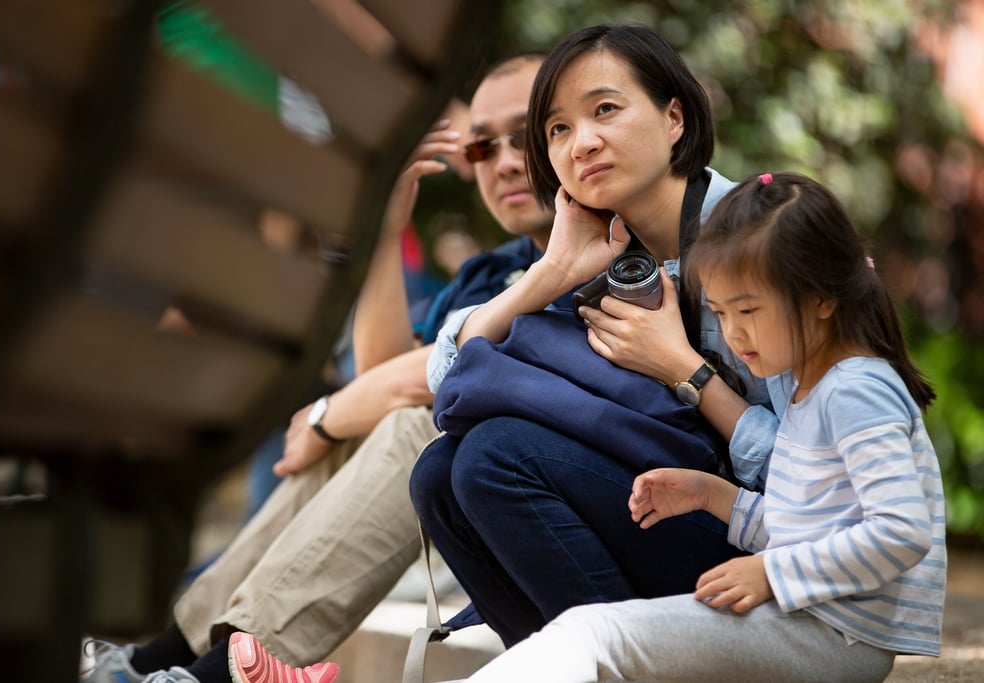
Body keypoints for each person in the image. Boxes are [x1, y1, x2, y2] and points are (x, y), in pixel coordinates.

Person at [82, 53, 554, 683]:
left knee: (423, 428)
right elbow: (384, 377)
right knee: (388, 425)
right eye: (482, 147)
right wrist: (384, 234)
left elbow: (437, 379)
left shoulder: (604, 249)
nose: (504, 161)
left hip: (597, 513)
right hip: (502, 496)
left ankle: (219, 673)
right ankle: (162, 662)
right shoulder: (493, 271)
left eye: (525, 135)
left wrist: (330, 413)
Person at [456, 171, 947, 683]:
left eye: (748, 310)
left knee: (598, 634)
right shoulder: (815, 389)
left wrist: (770, 573)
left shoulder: (855, 389)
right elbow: (810, 527)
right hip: (818, 620)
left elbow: (901, 532)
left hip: (835, 633)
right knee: (593, 631)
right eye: (721, 313)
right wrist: (714, 496)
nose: (734, 334)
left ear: (822, 298)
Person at [409, 23, 783, 648]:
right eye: (558, 128)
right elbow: (445, 375)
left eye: (605, 109)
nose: (582, 143)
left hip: (769, 548)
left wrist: (684, 370)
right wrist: (552, 273)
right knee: (439, 475)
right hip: (663, 510)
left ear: (674, 118)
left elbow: (816, 474)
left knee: (494, 457)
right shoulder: (605, 248)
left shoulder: (760, 245)